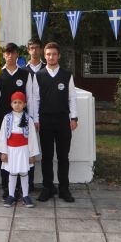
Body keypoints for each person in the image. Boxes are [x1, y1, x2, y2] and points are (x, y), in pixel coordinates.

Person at [0, 42, 38, 199]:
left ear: (18, 54)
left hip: (23, 121)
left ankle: (23, 187)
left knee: (25, 152)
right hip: (3, 120)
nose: (10, 56)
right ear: (3, 55)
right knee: (5, 153)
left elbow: (31, 98)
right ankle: (7, 187)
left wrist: (34, 118)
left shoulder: (25, 74)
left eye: (13, 53)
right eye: (7, 53)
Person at [36, 42, 78, 203]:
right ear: (44, 56)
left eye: (54, 54)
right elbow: (35, 99)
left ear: (58, 56)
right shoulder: (38, 75)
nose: (51, 57)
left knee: (63, 156)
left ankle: (64, 189)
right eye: (48, 54)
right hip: (45, 121)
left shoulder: (67, 75)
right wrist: (36, 119)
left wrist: (74, 118)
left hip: (62, 121)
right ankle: (47, 187)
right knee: (46, 156)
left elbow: (72, 98)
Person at [0, 91, 39, 208]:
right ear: (11, 104)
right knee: (13, 171)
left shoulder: (28, 119)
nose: (17, 105)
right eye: (15, 102)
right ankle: (11, 195)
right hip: (11, 150)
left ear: (24, 104)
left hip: (24, 149)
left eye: (20, 102)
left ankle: (26, 195)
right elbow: (2, 136)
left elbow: (32, 138)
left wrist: (32, 154)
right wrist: (3, 152)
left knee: (24, 172)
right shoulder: (7, 118)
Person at [24, 37, 46, 192]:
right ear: (28, 50)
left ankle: (47, 183)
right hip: (28, 117)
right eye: (32, 48)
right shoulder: (23, 71)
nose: (35, 51)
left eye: (37, 48)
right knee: (29, 150)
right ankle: (29, 183)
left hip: (47, 114)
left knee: (46, 150)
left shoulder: (48, 68)